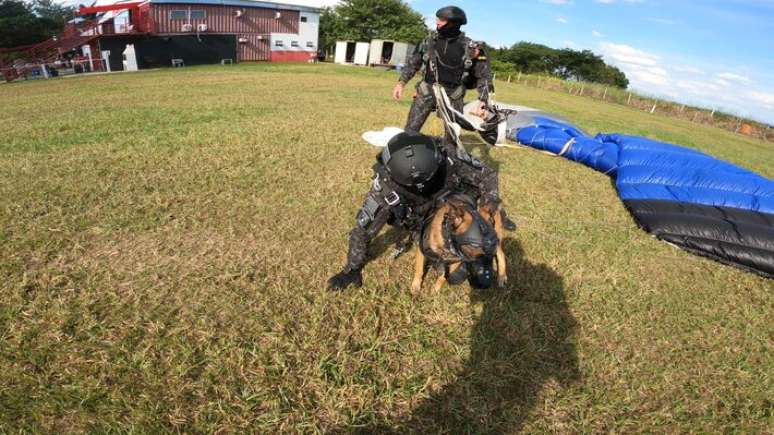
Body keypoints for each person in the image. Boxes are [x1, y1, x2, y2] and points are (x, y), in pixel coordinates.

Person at [327, 131, 507, 291]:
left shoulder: (448, 156)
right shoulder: (385, 187)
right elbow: (363, 229)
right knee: (454, 273)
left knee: (478, 270)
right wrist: (352, 269)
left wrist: (486, 209)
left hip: (456, 204)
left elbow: (487, 174)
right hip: (421, 218)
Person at [392, 6, 494, 144]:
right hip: (426, 90)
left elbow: (484, 75)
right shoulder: (428, 42)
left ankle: (449, 158)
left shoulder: (471, 48)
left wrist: (483, 100)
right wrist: (401, 83)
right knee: (410, 131)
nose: (437, 22)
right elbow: (413, 63)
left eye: (442, 19)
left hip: (454, 94)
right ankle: (406, 155)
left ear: (453, 23)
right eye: (437, 19)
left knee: (451, 139)